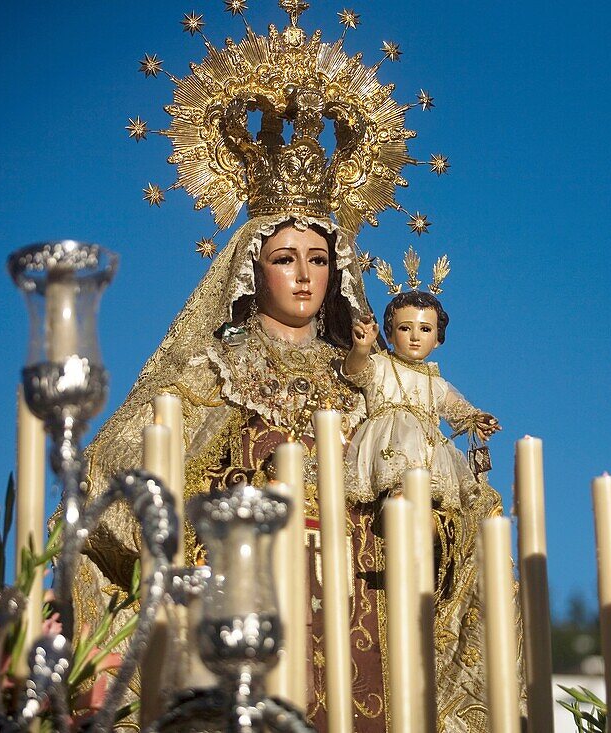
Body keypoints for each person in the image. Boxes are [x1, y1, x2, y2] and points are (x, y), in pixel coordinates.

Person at [68, 6, 519, 731]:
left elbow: (424, 491)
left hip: (361, 612)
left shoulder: (367, 376)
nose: (305, 276)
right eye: (285, 258)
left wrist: (441, 514)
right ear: (252, 267)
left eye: (319, 259)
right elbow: (125, 473)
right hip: (243, 608)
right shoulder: (212, 370)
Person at [343, 287, 500, 510]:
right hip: (390, 445)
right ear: (388, 334)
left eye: (425, 329)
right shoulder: (381, 364)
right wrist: (361, 348)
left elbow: (457, 408)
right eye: (405, 328)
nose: (415, 337)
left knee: (433, 503)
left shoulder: (435, 381)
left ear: (437, 339)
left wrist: (477, 419)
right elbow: (356, 372)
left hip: (430, 450)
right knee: (400, 495)